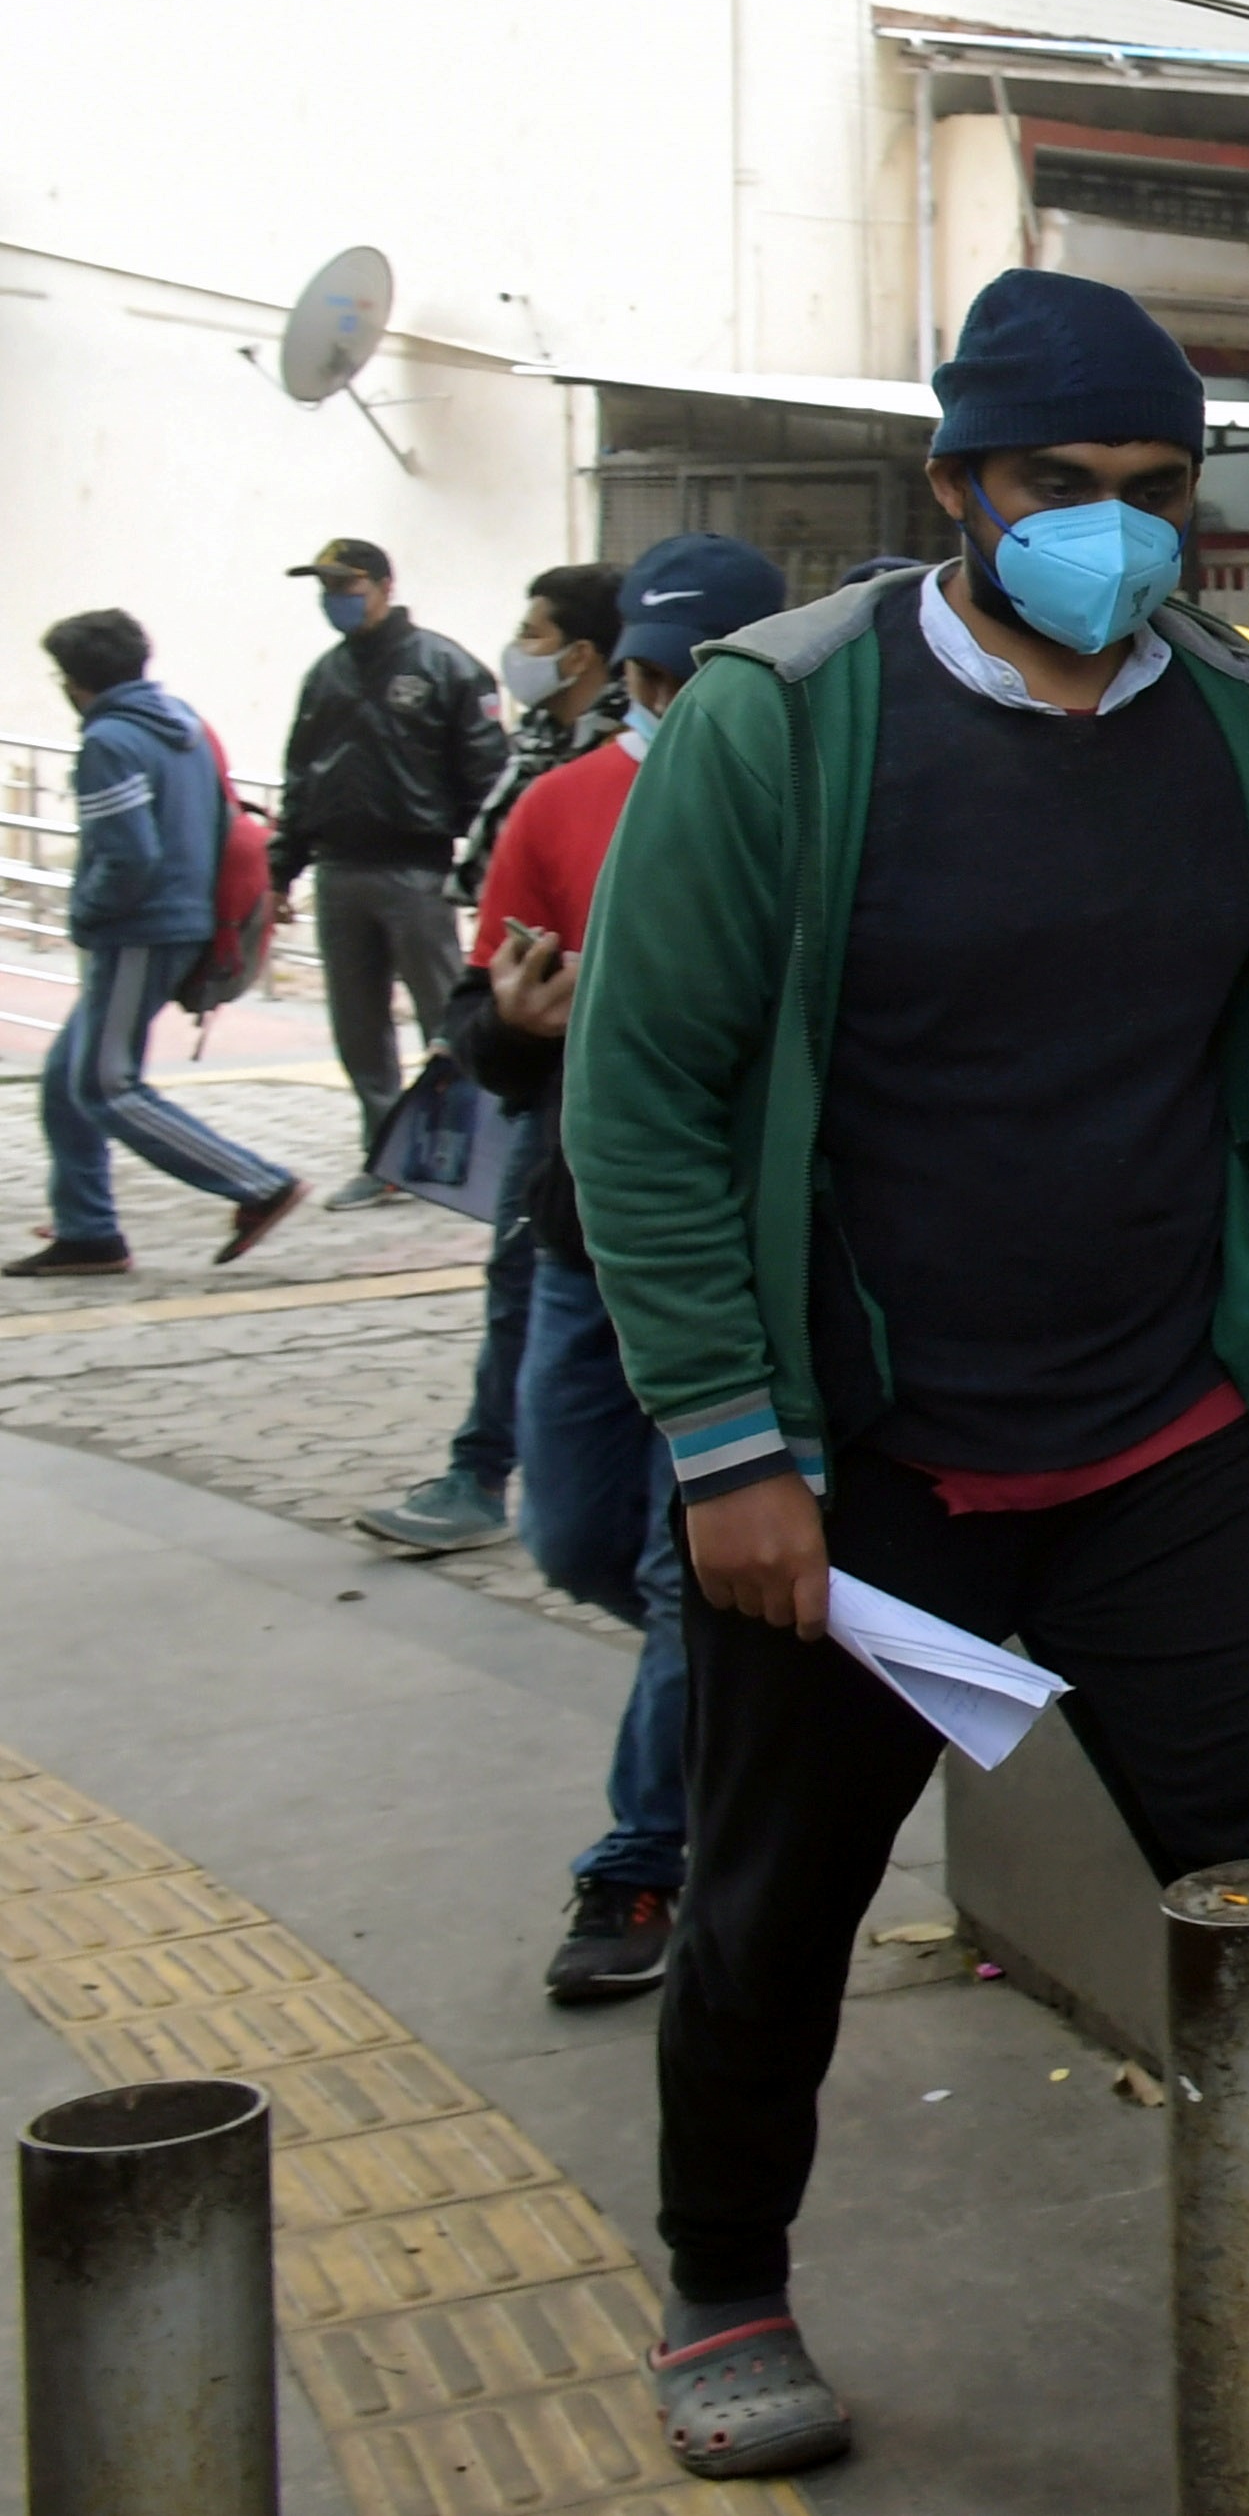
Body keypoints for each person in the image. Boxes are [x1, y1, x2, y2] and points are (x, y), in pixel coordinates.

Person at [560, 269, 1249, 2505]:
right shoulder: (779, 725)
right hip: (855, 1465)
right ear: (954, 488)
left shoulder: (1223, 712)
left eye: (1158, 491)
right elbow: (643, 1107)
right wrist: (724, 1442)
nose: (1115, 530)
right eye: (1060, 488)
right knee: (774, 1893)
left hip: (1160, 1441)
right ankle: (723, 2287)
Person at [455, 539, 766, 2000]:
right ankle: (708, 1718)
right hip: (581, 1239)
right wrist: (522, 1022)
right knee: (574, 1535)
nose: (659, 698)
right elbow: (483, 1033)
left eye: (689, 673)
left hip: (741, 1248)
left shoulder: (809, 802)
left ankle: (641, 1859)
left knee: (668, 1568)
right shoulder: (559, 806)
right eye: (647, 672)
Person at [357, 562, 629, 1558]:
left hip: (589, 1078)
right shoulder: (550, 746)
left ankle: (486, 1474)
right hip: (533, 1040)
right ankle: (487, 1469)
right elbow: (480, 861)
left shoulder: (613, 762)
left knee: (536, 1269)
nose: (520, 647)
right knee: (528, 1264)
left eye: (535, 629)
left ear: (592, 654)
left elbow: (481, 861)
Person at [20, 612, 300, 1274]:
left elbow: (128, 854)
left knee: (107, 1084)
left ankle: (256, 1182)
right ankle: (87, 1228)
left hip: (137, 929)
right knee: (68, 1079)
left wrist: (86, 912)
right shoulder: (182, 723)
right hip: (181, 919)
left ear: (74, 682)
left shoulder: (109, 741)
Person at [277, 537, 507, 1208]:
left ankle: (463, 1146)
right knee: (357, 1023)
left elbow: (488, 779)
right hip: (339, 868)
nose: (335, 599)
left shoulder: (445, 668)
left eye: (346, 585)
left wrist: (488, 870)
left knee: (446, 1014)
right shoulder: (325, 676)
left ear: (382, 585)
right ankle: (383, 1153)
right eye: (325, 587)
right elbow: (300, 777)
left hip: (417, 870)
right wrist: (281, 867)